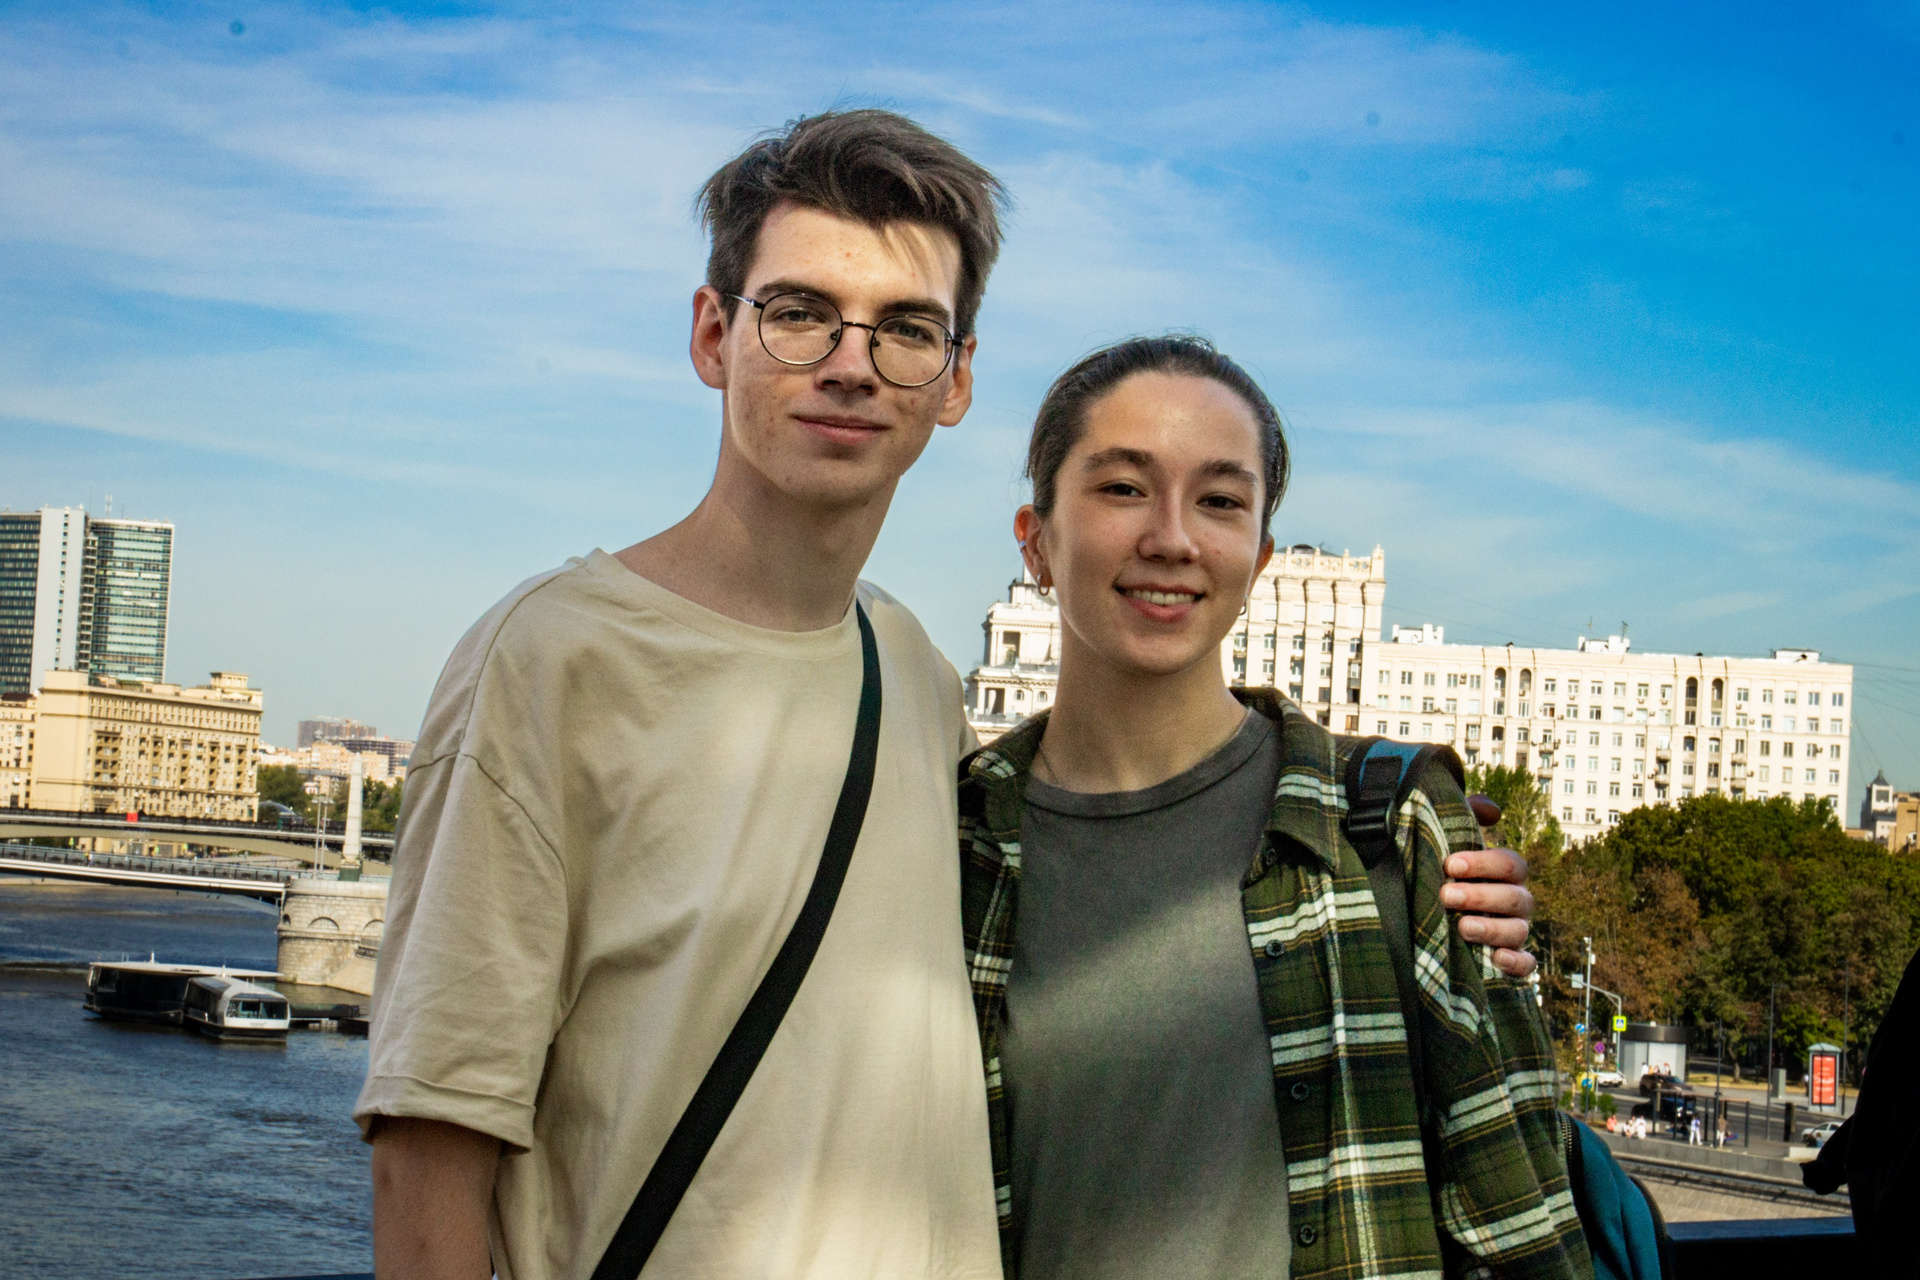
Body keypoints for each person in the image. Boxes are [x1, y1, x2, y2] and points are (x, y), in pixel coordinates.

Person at [355, 114, 1541, 1280]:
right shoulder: (550, 660)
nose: (851, 363)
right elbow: (430, 1142)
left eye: (906, 328)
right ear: (714, 334)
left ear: (956, 377)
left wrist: (1451, 893)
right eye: (799, 312)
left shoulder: (912, 679)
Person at [958, 337, 1584, 1280]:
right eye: (1123, 487)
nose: (1172, 537)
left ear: (1257, 562)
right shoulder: (952, 837)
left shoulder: (1386, 823)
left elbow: (1521, 1219)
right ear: (1035, 540)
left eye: (1219, 500)